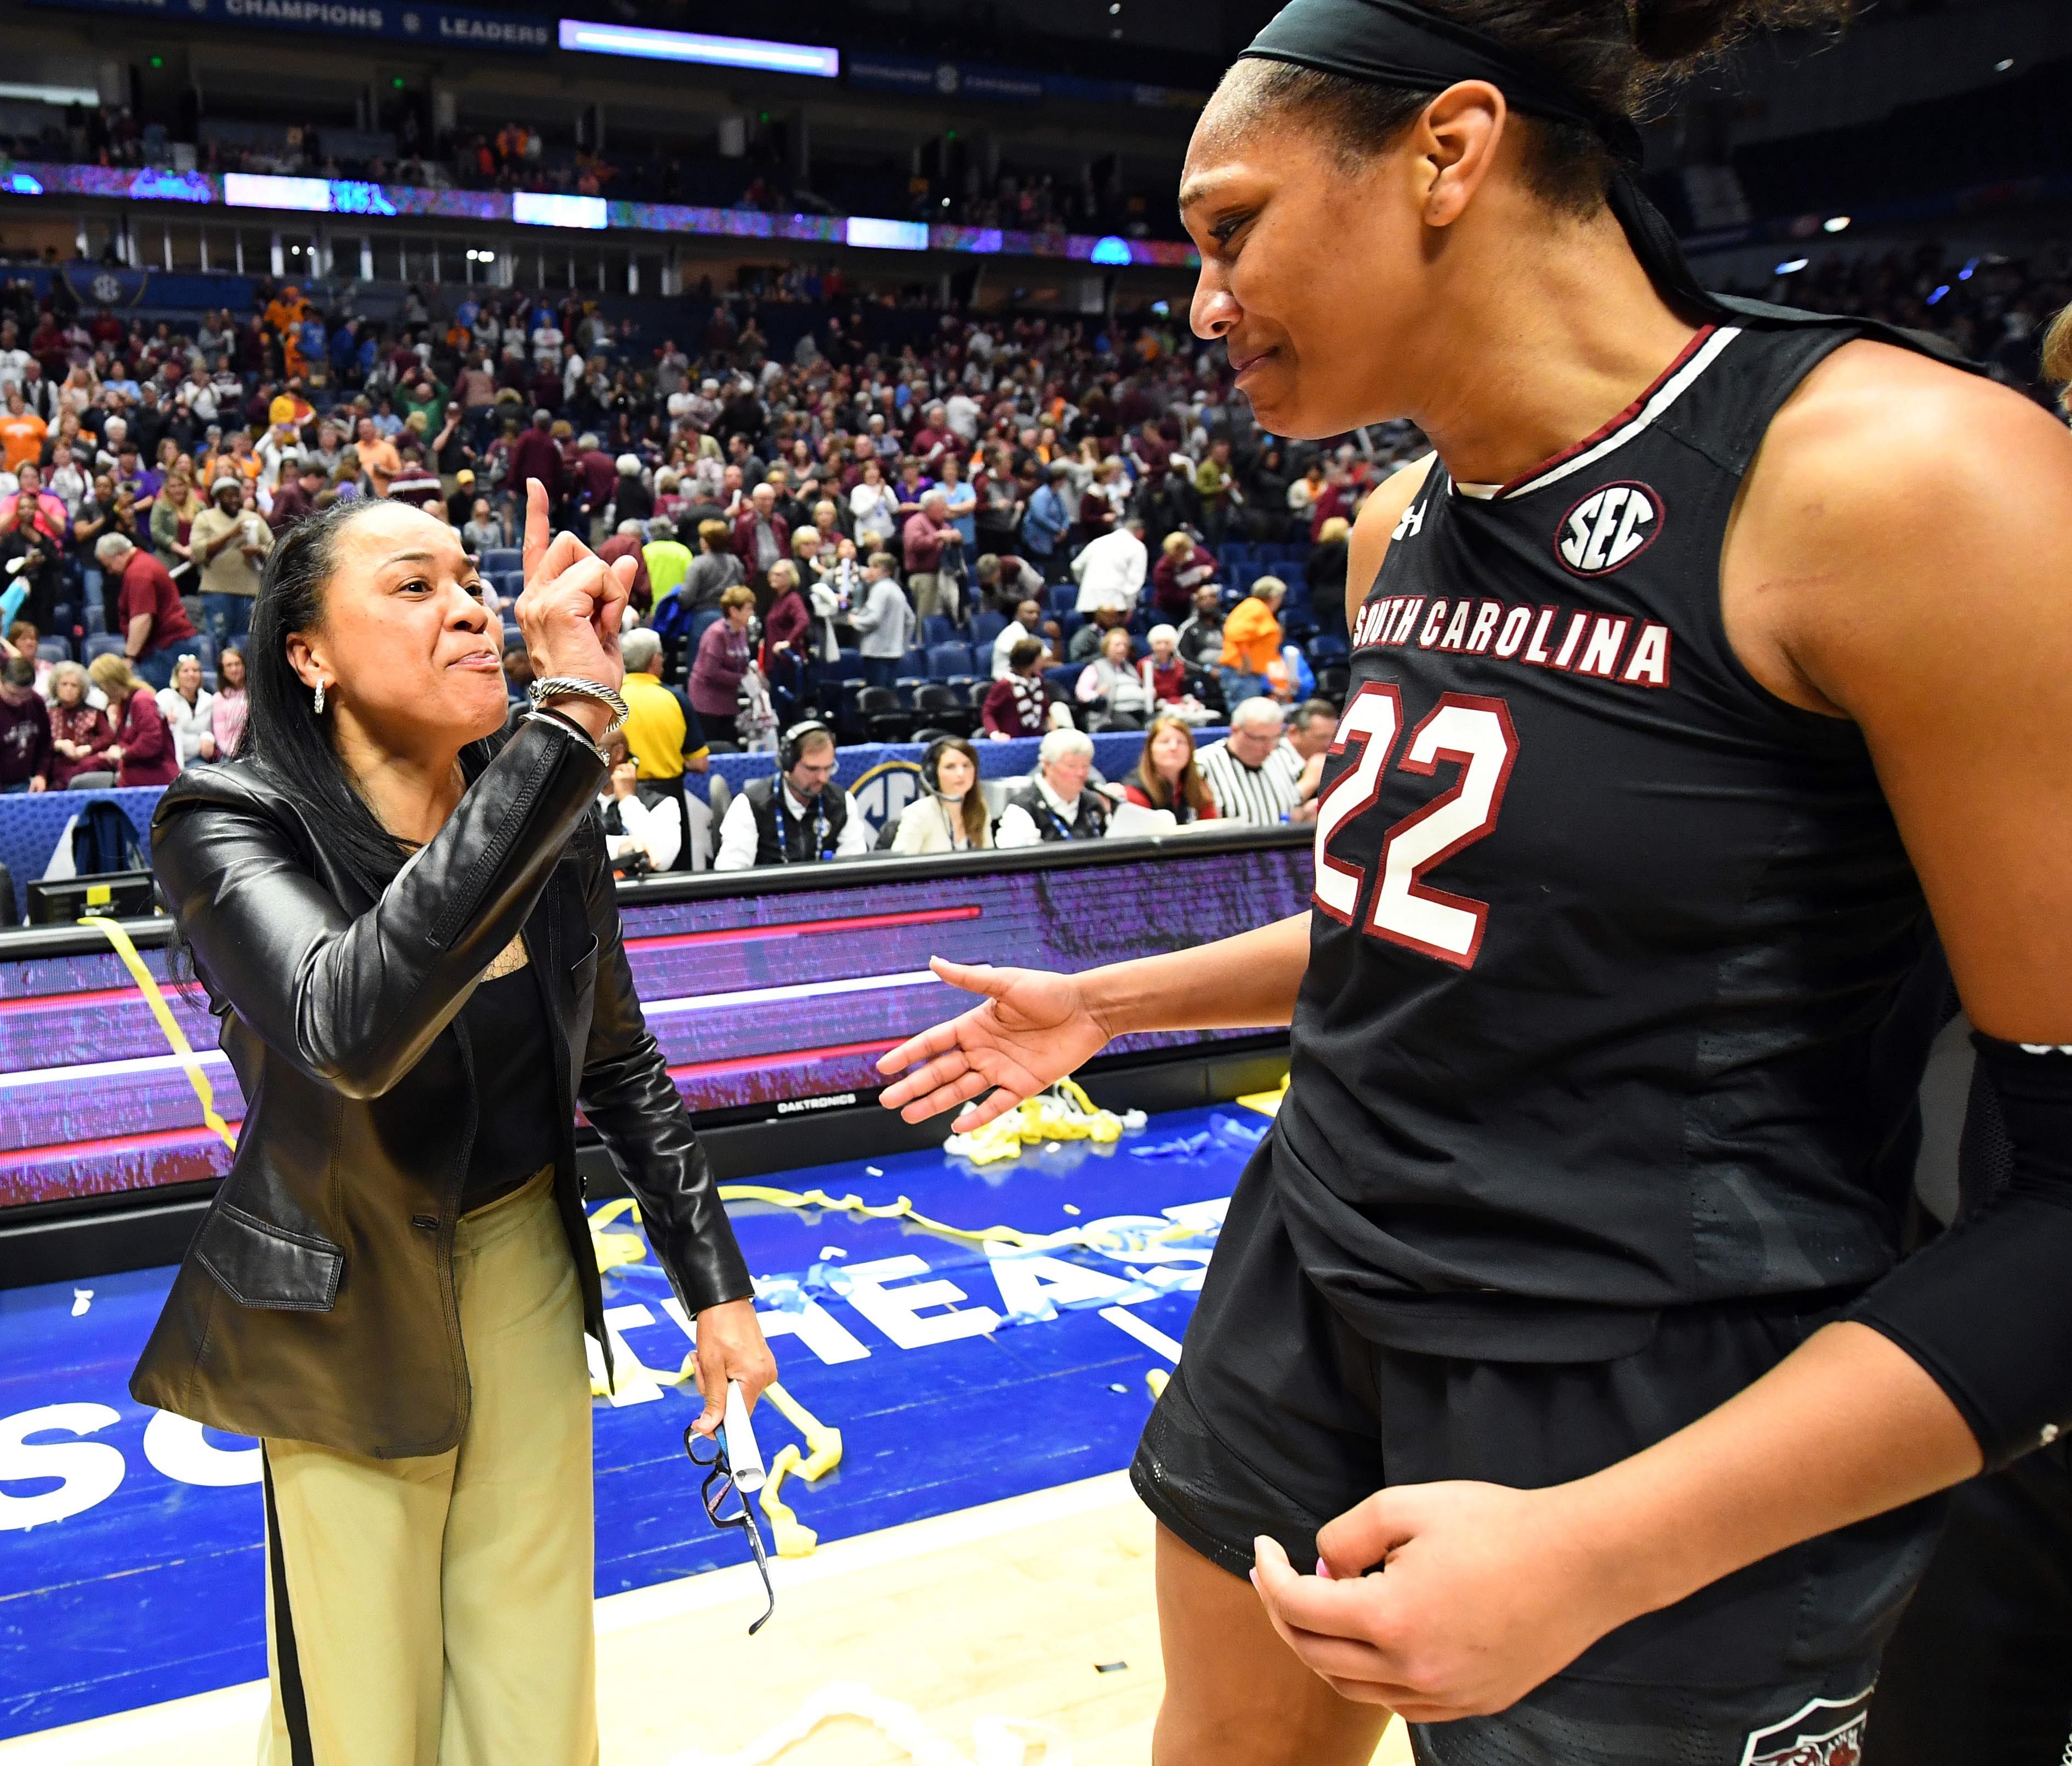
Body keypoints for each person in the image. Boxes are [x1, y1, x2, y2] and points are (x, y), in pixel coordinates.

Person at [874, 3, 2072, 1763]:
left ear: (1449, 152)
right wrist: (1107, 1005)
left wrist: (1600, 1548)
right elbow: (1417, 923)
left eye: (1229, 229)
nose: (1200, 302)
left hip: (1658, 1386)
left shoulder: (1911, 482)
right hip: (1313, 1263)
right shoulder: (1400, 518)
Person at [132, 482, 773, 1765]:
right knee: (366, 1711)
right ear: (305, 653)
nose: (475, 611)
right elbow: (351, 1026)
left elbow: (620, 1058)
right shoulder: (227, 821)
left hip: (526, 1268)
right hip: (341, 1309)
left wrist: (719, 1289)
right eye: (415, 588)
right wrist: (569, 724)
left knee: (537, 1681)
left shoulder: (541, 800)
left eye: (473, 584)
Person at [714, 720, 872, 868]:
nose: (822, 779)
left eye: (828, 768)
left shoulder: (842, 802)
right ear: (788, 763)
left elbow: (854, 868)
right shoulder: (751, 805)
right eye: (812, 769)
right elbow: (731, 871)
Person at [96, 531, 198, 691]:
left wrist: (129, 657)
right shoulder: (144, 562)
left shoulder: (139, 573)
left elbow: (142, 618)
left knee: (163, 700)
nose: (110, 571)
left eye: (109, 565)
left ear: (120, 554)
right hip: (172, 644)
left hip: (165, 649)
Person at [190, 474, 273, 648]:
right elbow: (198, 551)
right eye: (228, 495)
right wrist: (229, 535)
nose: (234, 500)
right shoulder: (205, 518)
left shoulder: (254, 519)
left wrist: (258, 551)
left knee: (247, 642)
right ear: (218, 497)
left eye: (237, 495)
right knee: (218, 639)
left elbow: (274, 549)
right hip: (217, 591)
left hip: (249, 591)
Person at [994, 727, 1113, 847]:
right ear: (1047, 765)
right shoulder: (1023, 809)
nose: (1081, 773)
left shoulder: (1094, 804)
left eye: (1086, 766)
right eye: (1072, 766)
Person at [1196, 696, 1307, 825]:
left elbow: (1297, 806)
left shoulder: (1284, 756)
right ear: (1235, 730)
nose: (1269, 748)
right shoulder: (1203, 764)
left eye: (1276, 738)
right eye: (1260, 739)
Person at [595, 730, 681, 875]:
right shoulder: (572, 801)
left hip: (637, 894)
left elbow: (661, 859)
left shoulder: (663, 804)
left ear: (618, 753)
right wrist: (622, 846)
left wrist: (628, 799)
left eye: (595, 747)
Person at [889, 736, 993, 855]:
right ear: (934, 774)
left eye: (966, 766)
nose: (961, 773)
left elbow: (990, 862)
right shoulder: (919, 813)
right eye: (950, 767)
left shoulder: (980, 808)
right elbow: (899, 868)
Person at [86, 651, 178, 785]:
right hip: (134, 780)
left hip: (154, 781)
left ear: (111, 682)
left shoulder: (141, 701)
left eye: (101, 686)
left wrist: (123, 753)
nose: (101, 691)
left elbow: (151, 741)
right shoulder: (123, 705)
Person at [1122, 713, 1219, 824]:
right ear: (1150, 750)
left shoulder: (1200, 787)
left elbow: (1210, 830)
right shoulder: (1135, 792)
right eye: (1165, 742)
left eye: (1181, 742)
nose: (1174, 747)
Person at [688, 583, 755, 744]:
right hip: (708, 704)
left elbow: (743, 663)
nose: (752, 613)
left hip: (728, 702)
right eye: (748, 609)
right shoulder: (716, 634)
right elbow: (711, 672)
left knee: (731, 745)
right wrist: (742, 679)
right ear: (733, 611)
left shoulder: (742, 632)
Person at [849, 550, 914, 690]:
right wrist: (902, 646)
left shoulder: (880, 589)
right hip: (894, 653)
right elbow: (910, 620)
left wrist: (855, 621)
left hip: (876, 653)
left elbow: (874, 619)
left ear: (886, 571)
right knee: (889, 697)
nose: (869, 571)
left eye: (874, 567)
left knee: (877, 698)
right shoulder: (896, 589)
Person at [1217, 574, 1287, 707]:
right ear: (1273, 596)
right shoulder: (1255, 607)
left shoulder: (1259, 609)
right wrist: (1246, 660)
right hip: (1242, 673)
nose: (1281, 600)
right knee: (1245, 715)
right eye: (1280, 596)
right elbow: (1236, 633)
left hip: (1249, 674)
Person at [45, 659, 114, 787]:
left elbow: (109, 737)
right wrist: (59, 745)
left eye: (74, 685)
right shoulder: (48, 712)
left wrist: (89, 749)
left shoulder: (94, 712)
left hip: (87, 761)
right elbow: (39, 742)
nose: (69, 689)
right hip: (58, 761)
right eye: (64, 684)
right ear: (56, 686)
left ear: (81, 689)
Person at [1075, 625, 1157, 732]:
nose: (1122, 649)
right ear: (1107, 647)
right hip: (1113, 714)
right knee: (1134, 728)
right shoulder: (1095, 667)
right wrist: (1097, 694)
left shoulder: (1130, 668)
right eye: (1118, 645)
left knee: (1158, 726)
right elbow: (1081, 693)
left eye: (1125, 645)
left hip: (1141, 710)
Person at [1072, 512, 1148, 614]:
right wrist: (1130, 608)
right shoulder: (1138, 546)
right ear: (1141, 532)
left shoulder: (1098, 542)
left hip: (1088, 602)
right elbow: (1134, 582)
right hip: (1116, 604)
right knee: (1116, 631)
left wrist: (1084, 584)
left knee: (1092, 630)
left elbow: (1076, 566)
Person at [981, 638, 1054, 741]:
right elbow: (988, 713)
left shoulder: (1038, 680)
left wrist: (1055, 733)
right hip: (1011, 740)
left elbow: (1046, 709)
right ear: (1030, 660)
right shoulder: (1005, 685)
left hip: (1036, 738)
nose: (1043, 658)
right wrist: (995, 734)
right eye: (1040, 656)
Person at [0, 656, 50, 792]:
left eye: (25, 695)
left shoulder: (36, 702)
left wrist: (41, 774)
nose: (19, 701)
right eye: (12, 694)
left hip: (26, 781)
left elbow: (45, 743)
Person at [157, 652, 215, 768]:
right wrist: (162, 718)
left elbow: (210, 729)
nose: (191, 674)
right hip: (170, 760)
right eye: (186, 671)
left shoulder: (208, 700)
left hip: (196, 759)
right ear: (177, 675)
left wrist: (208, 738)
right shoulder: (165, 697)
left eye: (196, 670)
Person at [1152, 529, 1220, 622]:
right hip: (1169, 610)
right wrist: (1194, 596)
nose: (1178, 558)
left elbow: (1212, 563)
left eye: (1181, 554)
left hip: (1195, 605)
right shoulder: (1162, 569)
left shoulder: (1197, 553)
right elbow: (1169, 595)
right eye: (1175, 556)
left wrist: (1210, 569)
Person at [202, 645, 248, 761]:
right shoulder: (218, 699)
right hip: (232, 755)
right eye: (229, 666)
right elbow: (222, 737)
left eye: (237, 664)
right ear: (223, 671)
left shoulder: (257, 694)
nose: (234, 669)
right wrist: (239, 755)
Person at [1176, 580, 1227, 669]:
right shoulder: (1188, 628)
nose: (1209, 601)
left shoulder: (1230, 622)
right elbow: (1182, 655)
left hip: (1232, 672)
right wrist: (1206, 670)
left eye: (1212, 597)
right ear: (1197, 603)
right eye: (1203, 598)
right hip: (1202, 674)